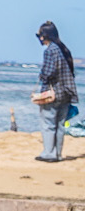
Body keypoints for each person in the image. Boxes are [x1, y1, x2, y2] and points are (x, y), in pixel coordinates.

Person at [31, 21, 75, 163]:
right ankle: (58, 154)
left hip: (53, 93)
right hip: (66, 92)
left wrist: (41, 76)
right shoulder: (64, 49)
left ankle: (49, 153)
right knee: (60, 125)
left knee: (48, 123)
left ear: (45, 35)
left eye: (39, 35)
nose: (39, 38)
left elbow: (49, 72)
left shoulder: (50, 50)